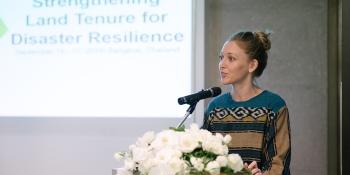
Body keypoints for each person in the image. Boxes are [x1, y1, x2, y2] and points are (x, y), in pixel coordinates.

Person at [202, 31, 291, 175]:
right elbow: (205, 158)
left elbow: (278, 163)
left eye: (231, 58)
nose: (222, 64)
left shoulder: (273, 105)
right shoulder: (215, 107)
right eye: (221, 58)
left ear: (252, 65)